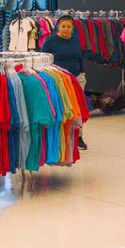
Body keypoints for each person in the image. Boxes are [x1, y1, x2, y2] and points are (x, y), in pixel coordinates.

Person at [41, 15, 89, 150]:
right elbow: (43, 59)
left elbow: (79, 59)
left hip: (77, 79)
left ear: (73, 28)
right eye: (63, 26)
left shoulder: (75, 40)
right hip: (59, 80)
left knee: (77, 108)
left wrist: (82, 74)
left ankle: (78, 137)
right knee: (60, 108)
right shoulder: (51, 41)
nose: (66, 29)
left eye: (69, 27)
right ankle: (61, 137)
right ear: (58, 27)